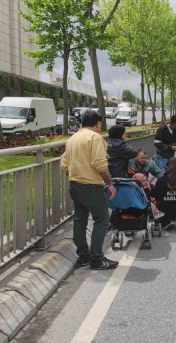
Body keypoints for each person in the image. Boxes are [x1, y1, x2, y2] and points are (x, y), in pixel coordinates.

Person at [60, 110, 118, 270]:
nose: (100, 128)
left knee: (80, 220)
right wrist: (110, 184)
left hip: (74, 184)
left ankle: (84, 256)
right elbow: (100, 164)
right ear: (97, 123)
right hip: (91, 186)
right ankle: (97, 258)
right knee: (102, 220)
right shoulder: (95, 138)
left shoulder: (72, 139)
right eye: (100, 125)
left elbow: (64, 164)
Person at [152, 157, 176, 230]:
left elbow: (154, 194)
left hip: (165, 209)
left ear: (166, 167)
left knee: (162, 203)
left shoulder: (161, 180)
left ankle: (166, 221)